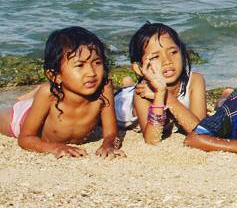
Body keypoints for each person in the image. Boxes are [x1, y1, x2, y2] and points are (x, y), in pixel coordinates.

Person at [0, 27, 124, 158]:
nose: (91, 73)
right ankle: (26, 98)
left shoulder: (104, 89)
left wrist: (108, 144)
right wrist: (55, 147)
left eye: (97, 62)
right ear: (56, 76)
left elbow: (111, 133)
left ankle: (29, 96)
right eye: (80, 65)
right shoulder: (48, 94)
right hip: (21, 117)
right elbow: (25, 138)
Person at [115, 22, 207, 144]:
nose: (167, 61)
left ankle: (127, 83)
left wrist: (166, 96)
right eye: (155, 57)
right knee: (118, 95)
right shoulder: (143, 92)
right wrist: (159, 95)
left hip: (152, 91)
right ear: (139, 68)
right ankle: (126, 86)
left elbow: (201, 131)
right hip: (122, 103)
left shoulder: (195, 80)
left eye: (173, 52)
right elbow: (152, 139)